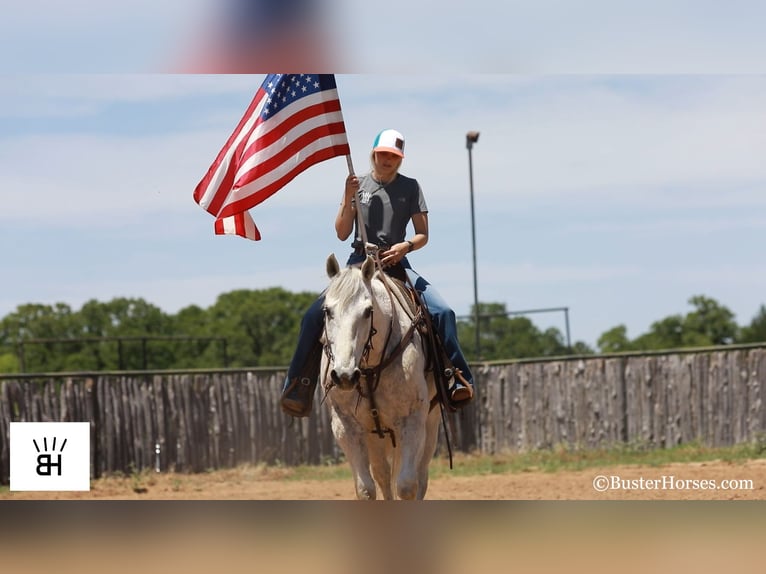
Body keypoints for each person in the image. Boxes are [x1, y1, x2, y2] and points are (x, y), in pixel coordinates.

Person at [280, 129, 474, 417]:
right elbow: (342, 231)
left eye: (394, 157)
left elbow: (423, 235)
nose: (387, 160)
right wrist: (348, 197)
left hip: (397, 264)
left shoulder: (411, 187)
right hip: (359, 262)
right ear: (373, 154)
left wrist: (405, 247)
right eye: (383, 154)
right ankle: (299, 383)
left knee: (443, 311)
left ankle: (454, 377)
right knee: (312, 315)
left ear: (400, 160)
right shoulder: (357, 183)